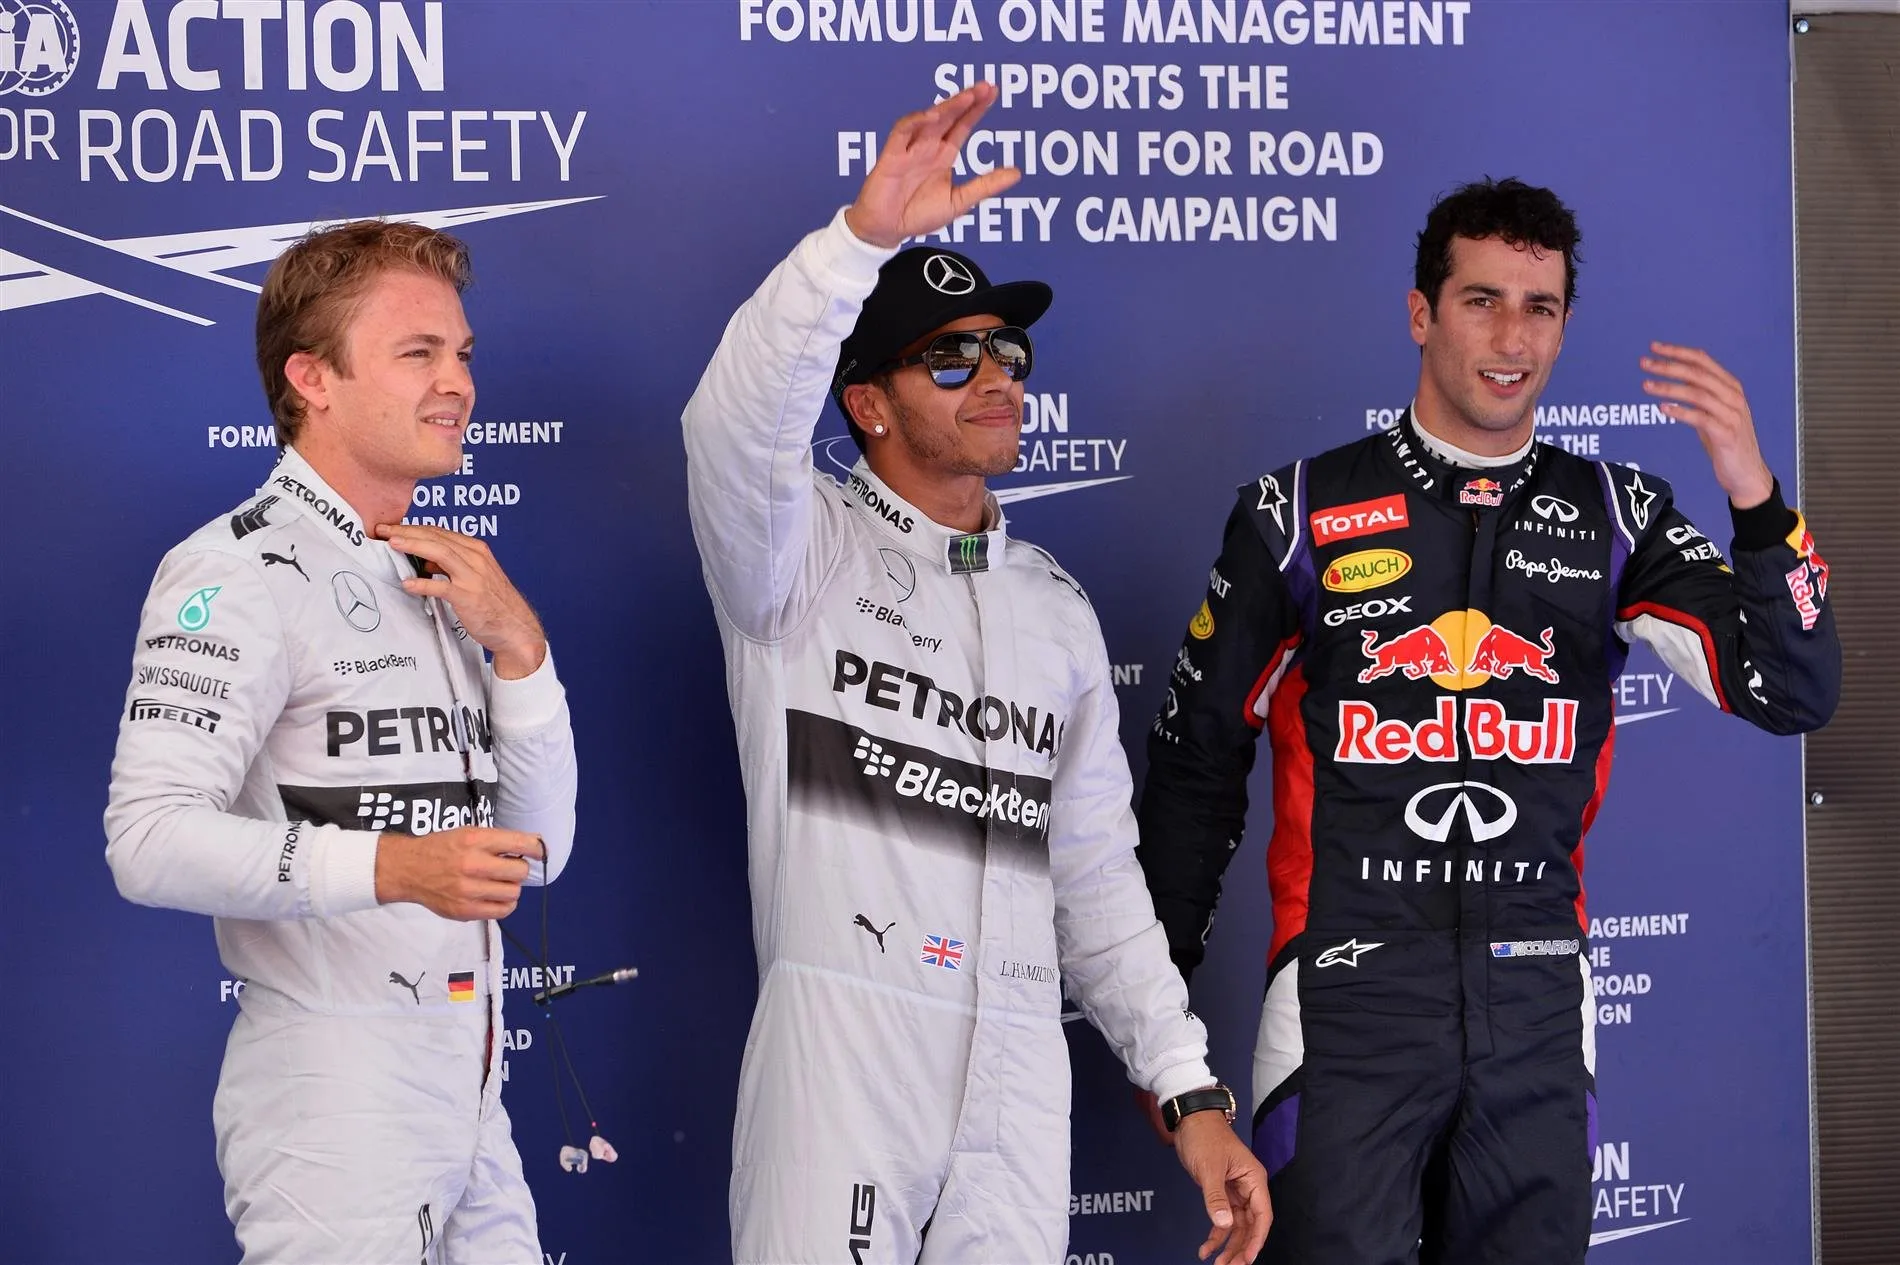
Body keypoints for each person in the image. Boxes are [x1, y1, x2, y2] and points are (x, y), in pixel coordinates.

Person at [1137, 177, 1840, 1265]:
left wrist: (1755, 498)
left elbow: (1791, 690)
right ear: (1421, 313)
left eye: (1539, 306)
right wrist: (1158, 1015)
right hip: (1342, 1002)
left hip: (1537, 1000)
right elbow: (1196, 765)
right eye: (1481, 300)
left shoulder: (1616, 512)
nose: (1511, 337)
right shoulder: (1296, 515)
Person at [682, 83, 1270, 1265]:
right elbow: (732, 426)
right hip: (846, 1049)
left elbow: (1098, 883)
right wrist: (854, 247)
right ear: (868, 404)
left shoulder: (1051, 608)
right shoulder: (793, 559)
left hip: (1016, 1071)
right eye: (949, 358)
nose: (996, 371)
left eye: (1007, 347)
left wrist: (1188, 1089)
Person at [105, 219, 578, 1264]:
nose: (455, 381)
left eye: (461, 353)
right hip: (335, 1093)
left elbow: (537, 853)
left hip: (471, 1087)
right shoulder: (236, 571)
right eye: (418, 353)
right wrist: (396, 865)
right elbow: (145, 841)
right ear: (311, 378)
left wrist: (522, 649)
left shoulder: (443, 574)